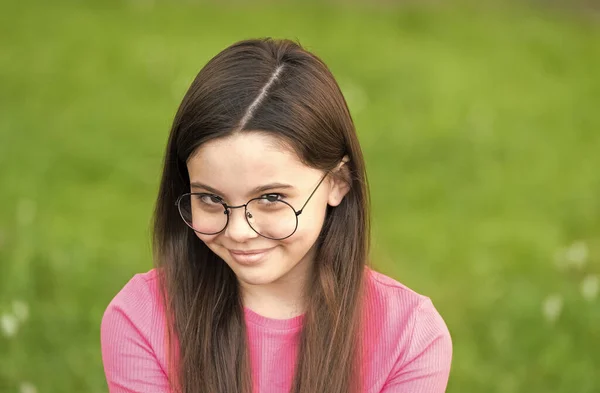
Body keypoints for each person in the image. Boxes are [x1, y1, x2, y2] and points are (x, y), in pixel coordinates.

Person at [100, 38, 452, 393]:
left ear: (338, 182)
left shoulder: (410, 335)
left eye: (270, 197)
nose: (238, 231)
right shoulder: (142, 316)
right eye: (209, 198)